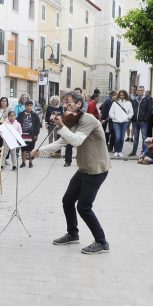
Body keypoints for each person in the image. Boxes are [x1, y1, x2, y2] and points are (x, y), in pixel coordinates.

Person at [31, 91, 111, 255]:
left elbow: (76, 140)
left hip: (96, 169)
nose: (65, 105)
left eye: (68, 102)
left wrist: (61, 126)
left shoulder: (88, 119)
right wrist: (38, 151)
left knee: (83, 207)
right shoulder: (73, 121)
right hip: (84, 168)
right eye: (64, 102)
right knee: (67, 200)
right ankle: (73, 234)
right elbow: (61, 142)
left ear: (79, 104)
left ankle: (102, 242)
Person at [109, 89, 134, 158]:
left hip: (125, 122)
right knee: (118, 137)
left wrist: (127, 118)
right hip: (116, 122)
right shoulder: (115, 103)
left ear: (125, 95)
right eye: (120, 95)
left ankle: (120, 151)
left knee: (122, 138)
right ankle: (116, 151)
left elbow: (131, 112)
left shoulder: (129, 103)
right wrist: (114, 118)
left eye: (122, 95)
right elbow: (111, 113)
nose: (121, 96)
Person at [130, 86, 153, 157]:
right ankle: (133, 152)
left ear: (143, 91)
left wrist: (145, 119)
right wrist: (132, 118)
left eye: (141, 90)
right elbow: (131, 110)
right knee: (136, 137)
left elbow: (149, 110)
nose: (139, 91)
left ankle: (144, 152)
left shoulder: (147, 99)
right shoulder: (134, 100)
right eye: (138, 90)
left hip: (143, 122)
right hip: (135, 121)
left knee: (144, 137)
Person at [17, 101, 41, 168]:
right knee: (23, 149)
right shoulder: (21, 114)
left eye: (30, 106)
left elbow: (37, 125)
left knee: (30, 149)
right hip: (23, 135)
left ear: (32, 106)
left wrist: (36, 134)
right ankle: (23, 162)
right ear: (25, 106)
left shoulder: (35, 115)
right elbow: (18, 124)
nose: (29, 107)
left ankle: (30, 163)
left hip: (31, 135)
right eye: (27, 106)